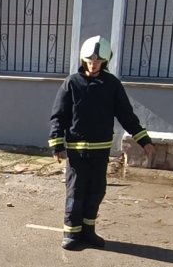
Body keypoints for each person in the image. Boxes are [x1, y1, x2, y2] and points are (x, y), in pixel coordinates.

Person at [49, 36, 156, 251]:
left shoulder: (112, 85)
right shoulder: (71, 83)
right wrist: (57, 144)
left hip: (100, 152)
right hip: (77, 153)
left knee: (96, 191)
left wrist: (144, 140)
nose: (93, 64)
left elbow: (127, 115)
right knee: (76, 192)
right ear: (83, 59)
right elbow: (58, 116)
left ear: (105, 62)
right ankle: (71, 233)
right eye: (89, 60)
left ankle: (88, 232)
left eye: (98, 61)